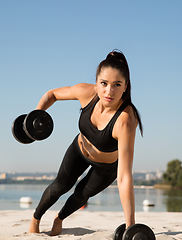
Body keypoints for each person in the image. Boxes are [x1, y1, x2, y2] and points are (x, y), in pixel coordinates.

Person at [28, 50, 143, 236]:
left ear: (125, 86)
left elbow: (124, 177)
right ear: (97, 82)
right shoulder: (87, 92)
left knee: (81, 195)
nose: (109, 91)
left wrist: (131, 228)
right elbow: (52, 95)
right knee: (60, 186)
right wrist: (35, 118)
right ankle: (36, 219)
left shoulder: (125, 120)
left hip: (105, 167)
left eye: (117, 85)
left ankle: (59, 219)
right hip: (79, 150)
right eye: (104, 83)